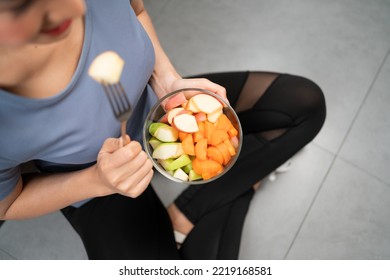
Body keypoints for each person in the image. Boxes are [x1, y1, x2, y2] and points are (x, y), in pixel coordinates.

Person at [0, 0, 326, 259]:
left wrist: (167, 80)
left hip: (162, 113)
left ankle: (186, 212)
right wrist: (97, 180)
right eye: (22, 5)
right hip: (98, 181)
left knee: (304, 106)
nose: (75, 7)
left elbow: (136, 10)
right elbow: (8, 204)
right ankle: (230, 191)